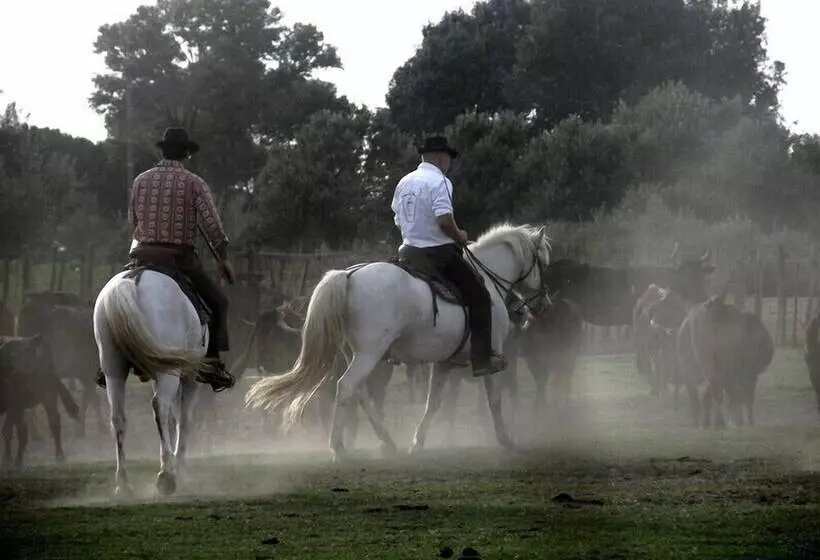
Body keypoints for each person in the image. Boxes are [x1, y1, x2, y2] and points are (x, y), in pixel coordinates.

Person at [128, 127, 237, 390]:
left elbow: (134, 221)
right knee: (219, 302)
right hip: (178, 259)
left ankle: (107, 363)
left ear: (163, 151)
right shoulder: (194, 183)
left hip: (142, 257)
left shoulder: (140, 181)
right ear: (187, 153)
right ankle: (212, 364)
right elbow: (212, 227)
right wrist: (223, 259)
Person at [390, 135, 506, 377]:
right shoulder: (440, 181)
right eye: (449, 158)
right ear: (440, 157)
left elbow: (398, 221)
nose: (449, 163)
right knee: (480, 297)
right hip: (438, 255)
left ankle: (391, 349)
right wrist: (460, 235)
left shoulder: (404, 182)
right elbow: (444, 221)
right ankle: (482, 359)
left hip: (408, 253)